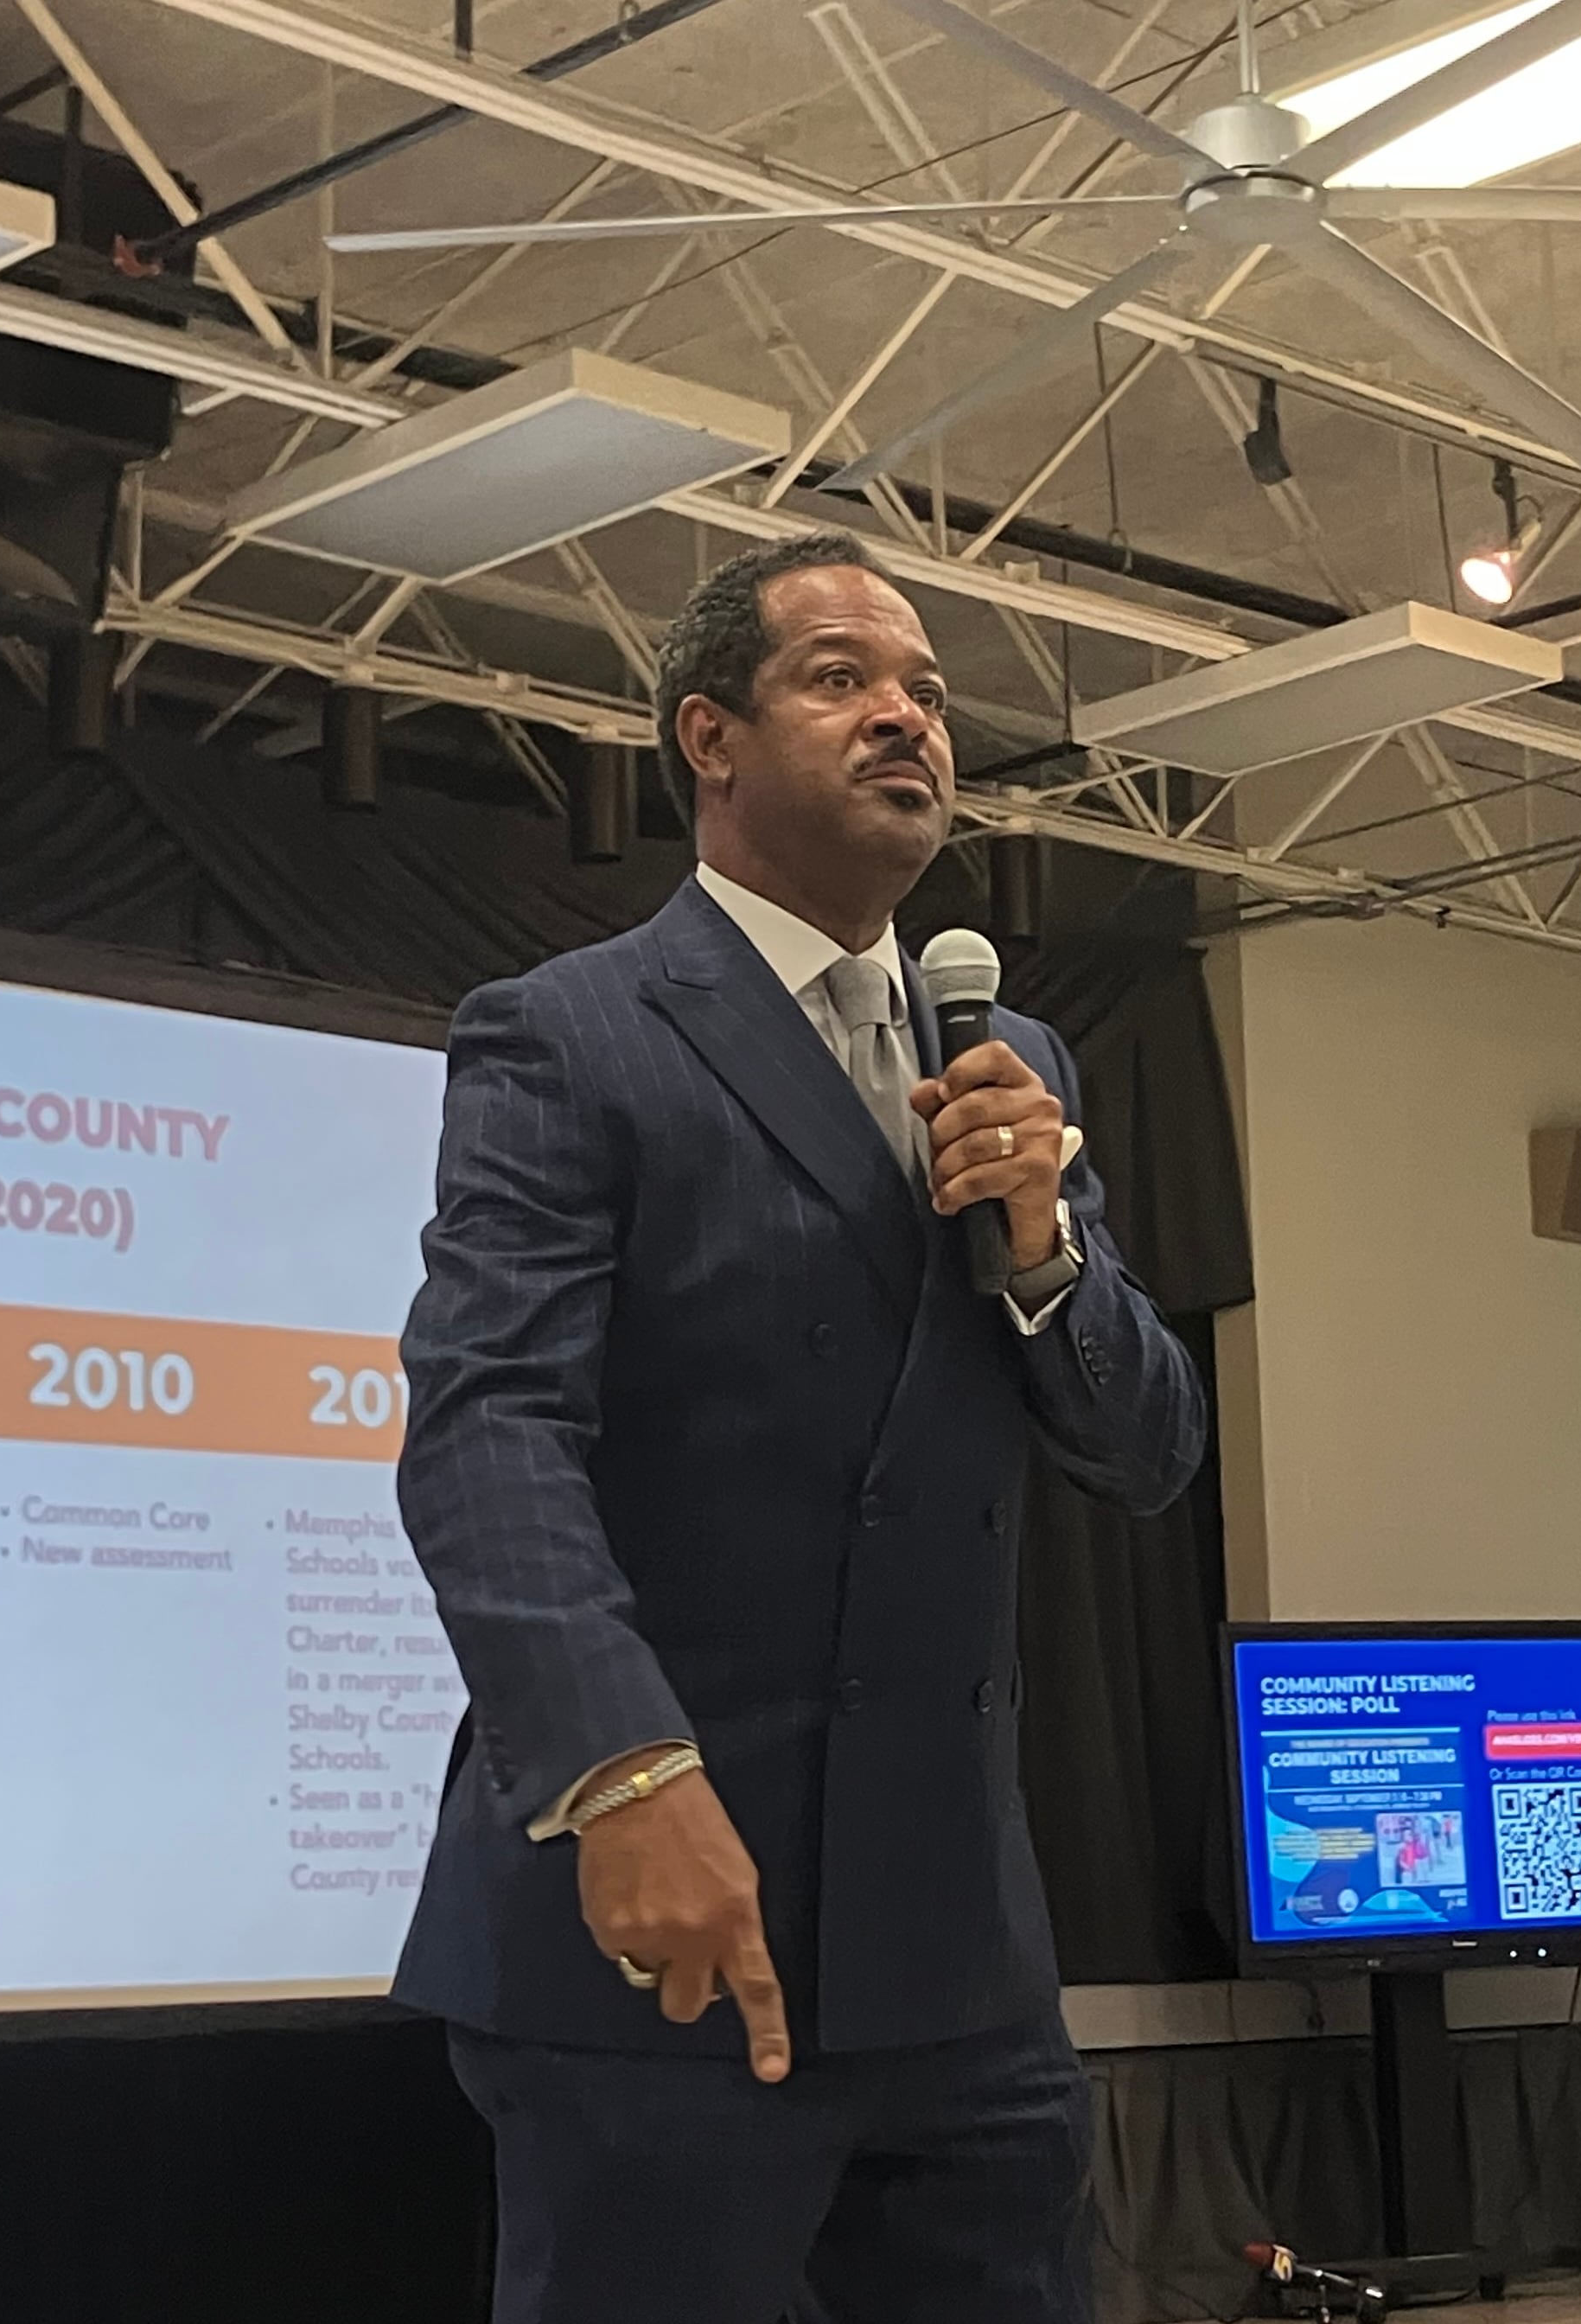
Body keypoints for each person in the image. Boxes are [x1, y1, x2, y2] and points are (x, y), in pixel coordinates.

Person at [393, 530, 1205, 2321]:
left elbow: (1148, 1454)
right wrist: (622, 1776)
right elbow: (483, 1433)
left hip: (962, 1957)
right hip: (670, 1928)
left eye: (925, 688)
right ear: (711, 737)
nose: (906, 715)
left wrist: (1047, 1254)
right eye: (843, 677)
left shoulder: (1021, 1063)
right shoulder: (573, 1036)